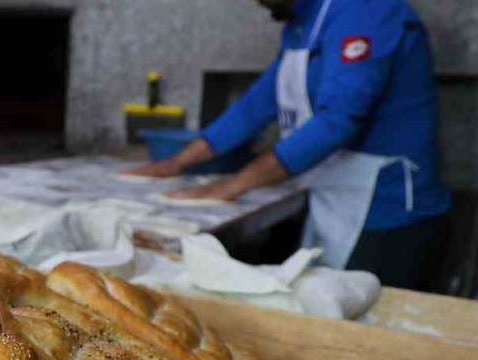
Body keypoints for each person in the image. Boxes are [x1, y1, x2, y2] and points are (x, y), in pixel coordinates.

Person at [127, 0, 450, 290]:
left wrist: (231, 186)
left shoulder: (366, 11)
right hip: (335, 199)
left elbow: (337, 122)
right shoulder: (303, 21)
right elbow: (259, 102)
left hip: (388, 214)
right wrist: (178, 162)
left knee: (362, 340)